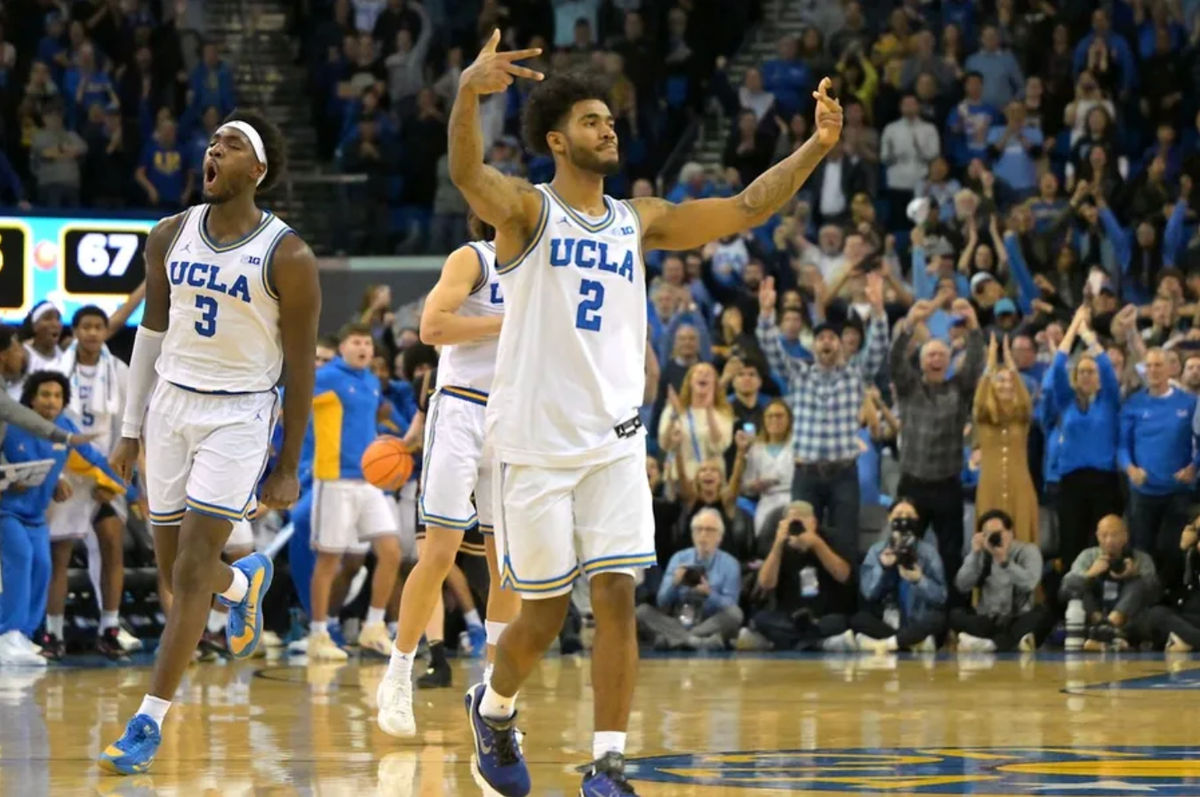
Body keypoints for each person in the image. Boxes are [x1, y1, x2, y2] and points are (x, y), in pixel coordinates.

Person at [446, 31, 843, 795]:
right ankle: (492, 707)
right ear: (559, 139)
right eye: (593, 121)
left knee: (618, 593)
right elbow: (467, 171)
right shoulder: (527, 213)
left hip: (616, 443)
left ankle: (609, 763)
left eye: (612, 120)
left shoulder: (640, 218)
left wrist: (816, 148)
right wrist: (469, 93)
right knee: (542, 618)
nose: (610, 130)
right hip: (534, 446)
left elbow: (744, 208)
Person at [99, 109, 320, 775]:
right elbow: (151, 337)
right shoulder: (169, 235)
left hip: (241, 413)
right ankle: (242, 580)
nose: (215, 150)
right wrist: (129, 433)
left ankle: (148, 719)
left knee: (190, 569)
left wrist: (286, 461)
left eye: (232, 144)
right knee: (176, 575)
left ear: (258, 170)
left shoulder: (289, 255)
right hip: (169, 404)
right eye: (214, 141)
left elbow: (301, 364)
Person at [377, 215, 521, 737]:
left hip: (513, 417)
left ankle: (493, 694)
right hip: (460, 410)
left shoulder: (540, 272)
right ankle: (397, 673)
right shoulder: (473, 258)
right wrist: (507, 323)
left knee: (508, 562)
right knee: (439, 550)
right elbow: (432, 328)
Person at [0, 372, 126, 666]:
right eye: (45, 394)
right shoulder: (11, 425)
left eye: (57, 396)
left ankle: (26, 636)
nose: (51, 401)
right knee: (20, 560)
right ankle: (7, 633)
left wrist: (130, 493)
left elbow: (95, 460)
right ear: (31, 397)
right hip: (7, 511)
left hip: (36, 516)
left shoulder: (65, 428)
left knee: (42, 568)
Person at [304, 324, 405, 661]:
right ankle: (318, 633)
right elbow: (293, 400)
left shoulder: (373, 382)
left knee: (391, 550)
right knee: (329, 559)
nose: (363, 347)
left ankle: (373, 627)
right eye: (356, 342)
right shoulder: (326, 376)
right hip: (333, 479)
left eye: (367, 342)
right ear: (343, 347)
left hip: (369, 480)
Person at [42, 306, 132, 660]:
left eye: (99, 327)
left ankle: (110, 627)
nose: (93, 333)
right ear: (75, 331)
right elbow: (46, 422)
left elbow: (129, 424)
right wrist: (56, 475)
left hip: (104, 473)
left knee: (112, 543)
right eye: (86, 327)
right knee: (59, 554)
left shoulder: (120, 371)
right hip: (67, 474)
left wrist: (117, 477)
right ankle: (53, 632)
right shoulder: (55, 371)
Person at [1049, 306, 1121, 567]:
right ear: (1075, 378)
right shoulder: (1066, 402)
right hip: (1071, 482)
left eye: (1091, 372)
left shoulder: (1109, 400)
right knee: (1071, 540)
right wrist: (1073, 329)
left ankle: (1107, 593)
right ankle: (1073, 600)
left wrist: (1088, 336)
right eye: (1082, 372)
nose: (1087, 375)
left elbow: (1107, 367)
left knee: (1107, 541)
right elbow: (1058, 366)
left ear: (1099, 379)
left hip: (1104, 481)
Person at [746, 500, 855, 651]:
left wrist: (817, 544)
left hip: (823, 615)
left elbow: (843, 575)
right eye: (793, 519)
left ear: (814, 522)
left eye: (803, 518)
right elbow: (766, 583)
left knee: (839, 622)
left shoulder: (830, 538)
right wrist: (778, 544)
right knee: (761, 618)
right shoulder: (778, 543)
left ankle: (786, 641)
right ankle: (818, 643)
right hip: (789, 616)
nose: (797, 524)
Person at [634, 508, 744, 651]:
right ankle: (697, 642)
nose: (703, 535)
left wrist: (709, 594)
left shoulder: (730, 564)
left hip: (709, 622)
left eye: (710, 530)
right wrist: (674, 583)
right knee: (641, 612)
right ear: (692, 534)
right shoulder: (679, 558)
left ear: (719, 537)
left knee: (736, 614)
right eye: (698, 529)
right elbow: (661, 600)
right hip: (677, 620)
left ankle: (673, 640)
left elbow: (731, 604)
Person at [855, 498, 948, 652]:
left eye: (909, 515)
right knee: (859, 619)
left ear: (917, 520)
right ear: (890, 518)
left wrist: (919, 580)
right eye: (899, 514)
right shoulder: (877, 550)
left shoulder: (929, 552)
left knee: (938, 620)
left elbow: (942, 597)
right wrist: (882, 568)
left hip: (918, 620)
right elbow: (868, 593)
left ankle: (889, 644)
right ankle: (910, 643)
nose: (904, 519)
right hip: (888, 622)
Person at [950, 509, 1051, 652]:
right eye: (988, 534)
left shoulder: (1028, 551)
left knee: (1043, 615)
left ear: (1010, 533)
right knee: (956, 615)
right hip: (987, 619)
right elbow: (962, 585)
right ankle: (1008, 643)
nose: (994, 538)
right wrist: (974, 554)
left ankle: (990, 644)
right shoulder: (980, 554)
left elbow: (1030, 583)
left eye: (999, 533)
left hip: (1018, 617)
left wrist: (1005, 562)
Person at [973, 333, 1038, 543]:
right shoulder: (983, 417)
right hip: (989, 487)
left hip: (1020, 486)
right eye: (1000, 381)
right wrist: (991, 362)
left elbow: (1026, 400)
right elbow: (979, 399)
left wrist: (1011, 364)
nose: (1006, 385)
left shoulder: (1022, 418)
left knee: (1021, 536)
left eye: (1010, 382)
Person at [1060, 515, 1160, 651]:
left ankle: (1109, 628)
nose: (1109, 540)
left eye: (1114, 535)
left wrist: (1133, 575)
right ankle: (1106, 631)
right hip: (1094, 615)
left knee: (1140, 583)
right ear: (1097, 536)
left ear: (1125, 536)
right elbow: (1067, 585)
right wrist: (1091, 573)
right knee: (1074, 581)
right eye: (1104, 535)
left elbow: (1155, 592)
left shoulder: (1141, 558)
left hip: (1129, 620)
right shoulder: (1088, 555)